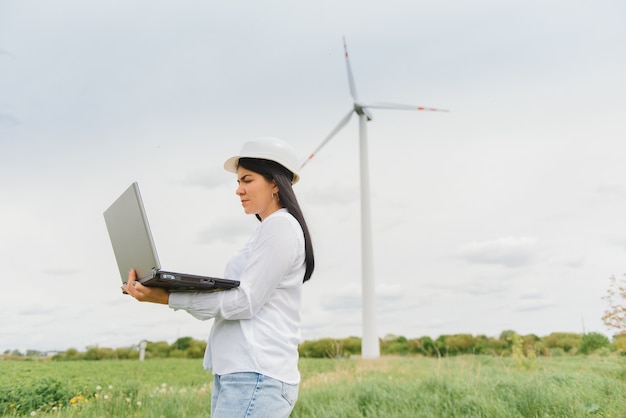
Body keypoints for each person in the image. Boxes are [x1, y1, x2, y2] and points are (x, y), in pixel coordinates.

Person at [122, 137, 315, 417]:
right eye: (238, 182)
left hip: (255, 374)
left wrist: (167, 296)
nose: (238, 190)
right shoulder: (266, 231)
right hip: (241, 373)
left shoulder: (281, 227)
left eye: (247, 180)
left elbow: (244, 301)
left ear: (275, 182)